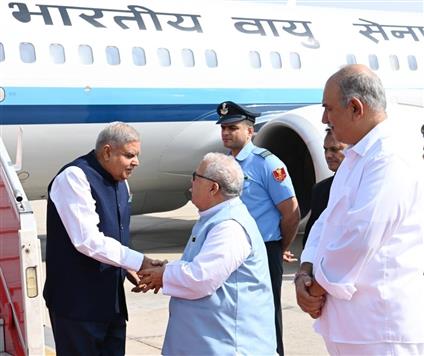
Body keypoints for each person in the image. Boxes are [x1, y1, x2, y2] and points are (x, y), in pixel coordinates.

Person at [295, 64, 424, 355]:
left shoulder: (390, 158)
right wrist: (306, 268)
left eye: (329, 108)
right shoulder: (358, 157)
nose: (324, 118)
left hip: (380, 328)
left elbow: (360, 235)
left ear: (355, 108)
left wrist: (314, 290)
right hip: (353, 326)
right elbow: (327, 220)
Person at [138, 152, 276, 355]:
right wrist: (167, 269)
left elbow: (201, 278)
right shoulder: (214, 217)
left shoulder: (229, 227)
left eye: (196, 176)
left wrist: (164, 274)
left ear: (213, 188)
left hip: (228, 346)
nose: (191, 181)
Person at [43, 122, 158, 355]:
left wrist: (128, 268)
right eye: (129, 155)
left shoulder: (120, 180)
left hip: (110, 305)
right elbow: (87, 240)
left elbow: (117, 232)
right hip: (77, 307)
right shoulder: (74, 177)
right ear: (107, 151)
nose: (136, 162)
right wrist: (138, 261)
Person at [216, 100, 300, 356]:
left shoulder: (267, 164)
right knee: (235, 313)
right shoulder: (222, 165)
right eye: (224, 128)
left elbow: (291, 213)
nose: (227, 133)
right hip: (232, 250)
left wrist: (279, 247)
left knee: (267, 313)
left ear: (250, 131)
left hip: (264, 248)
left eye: (233, 128)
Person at [302, 128, 347, 247]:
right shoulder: (320, 190)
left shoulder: (364, 186)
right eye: (325, 150)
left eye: (334, 149)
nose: (328, 155)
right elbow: (311, 237)